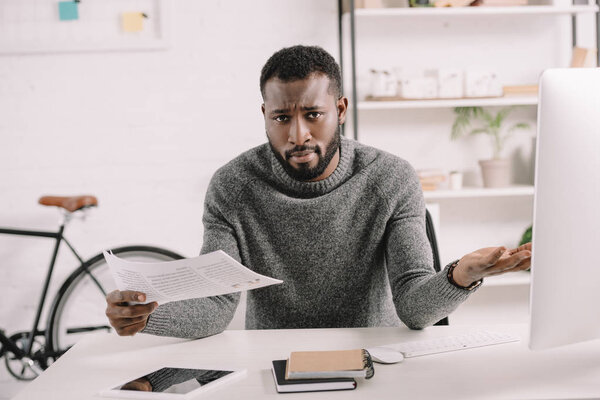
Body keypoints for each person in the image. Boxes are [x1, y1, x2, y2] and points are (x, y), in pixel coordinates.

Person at [106, 45, 532, 339]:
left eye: (313, 114)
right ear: (264, 115)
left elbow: (414, 308)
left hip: (374, 358)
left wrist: (461, 275)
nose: (297, 134)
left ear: (341, 110)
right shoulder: (232, 186)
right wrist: (148, 316)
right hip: (274, 362)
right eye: (281, 118)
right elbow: (217, 307)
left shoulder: (390, 178)